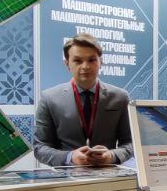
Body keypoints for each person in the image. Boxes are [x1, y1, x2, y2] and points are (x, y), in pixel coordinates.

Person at [35, 33, 134, 167]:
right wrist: (70, 157)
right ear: (67, 64)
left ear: (101, 62)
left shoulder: (120, 97)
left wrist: (112, 155)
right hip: (67, 176)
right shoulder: (49, 98)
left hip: (108, 174)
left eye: (91, 60)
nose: (85, 66)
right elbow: (40, 148)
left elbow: (131, 143)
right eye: (78, 61)